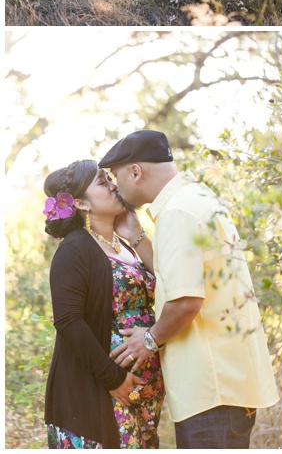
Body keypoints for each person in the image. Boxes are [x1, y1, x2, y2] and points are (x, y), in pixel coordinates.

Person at [99, 130, 279, 449]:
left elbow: (186, 301)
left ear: (136, 171)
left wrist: (149, 340)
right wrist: (139, 239)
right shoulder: (197, 199)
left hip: (210, 391)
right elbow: (182, 278)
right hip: (227, 387)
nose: (115, 186)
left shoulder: (177, 213)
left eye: (116, 176)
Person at [43, 160, 164, 448]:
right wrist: (113, 379)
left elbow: (169, 281)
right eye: (102, 181)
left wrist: (136, 234)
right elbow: (69, 321)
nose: (113, 184)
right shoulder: (75, 249)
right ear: (82, 203)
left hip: (142, 393)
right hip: (99, 390)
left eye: (110, 177)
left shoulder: (126, 246)